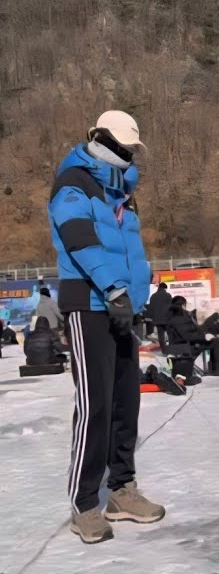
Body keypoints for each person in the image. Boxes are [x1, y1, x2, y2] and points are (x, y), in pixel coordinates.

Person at [48, 109, 161, 544]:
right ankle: (84, 504)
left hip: (121, 307)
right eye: (125, 147)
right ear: (104, 141)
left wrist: (137, 293)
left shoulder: (123, 192)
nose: (130, 155)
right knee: (95, 405)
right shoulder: (74, 183)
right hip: (90, 304)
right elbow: (79, 239)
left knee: (124, 404)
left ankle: (122, 490)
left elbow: (132, 249)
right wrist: (113, 288)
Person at [165, 296, 219, 379]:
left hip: (179, 347)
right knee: (217, 342)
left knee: (214, 338)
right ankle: (217, 369)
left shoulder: (173, 316)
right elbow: (187, 336)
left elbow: (190, 331)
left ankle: (215, 368)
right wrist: (204, 337)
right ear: (183, 305)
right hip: (185, 348)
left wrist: (203, 334)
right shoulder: (179, 318)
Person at [146, 282, 172, 349]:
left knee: (161, 335)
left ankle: (163, 350)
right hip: (167, 319)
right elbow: (171, 307)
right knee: (170, 334)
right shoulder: (168, 295)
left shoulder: (153, 296)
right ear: (164, 288)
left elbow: (151, 308)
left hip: (157, 319)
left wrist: (152, 317)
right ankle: (171, 348)